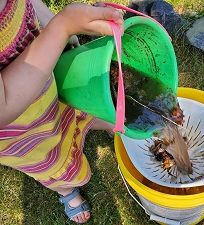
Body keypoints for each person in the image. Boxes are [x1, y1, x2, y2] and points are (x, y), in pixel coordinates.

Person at [0, 0, 124, 223]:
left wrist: (51, 23)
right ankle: (66, 191)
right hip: (21, 128)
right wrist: (62, 27)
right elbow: (4, 105)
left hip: (46, 77)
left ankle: (100, 120)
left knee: (70, 106)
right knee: (51, 160)